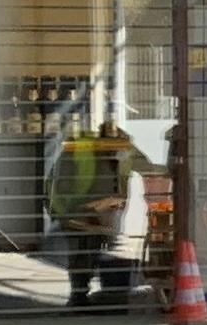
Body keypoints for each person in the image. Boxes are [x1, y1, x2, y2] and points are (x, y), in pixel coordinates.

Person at [44, 116, 144, 311]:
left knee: (93, 251)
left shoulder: (123, 151)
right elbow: (65, 187)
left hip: (98, 214)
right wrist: (74, 214)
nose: (118, 152)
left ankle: (86, 293)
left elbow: (145, 166)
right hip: (76, 210)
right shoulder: (83, 154)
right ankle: (79, 295)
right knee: (82, 252)